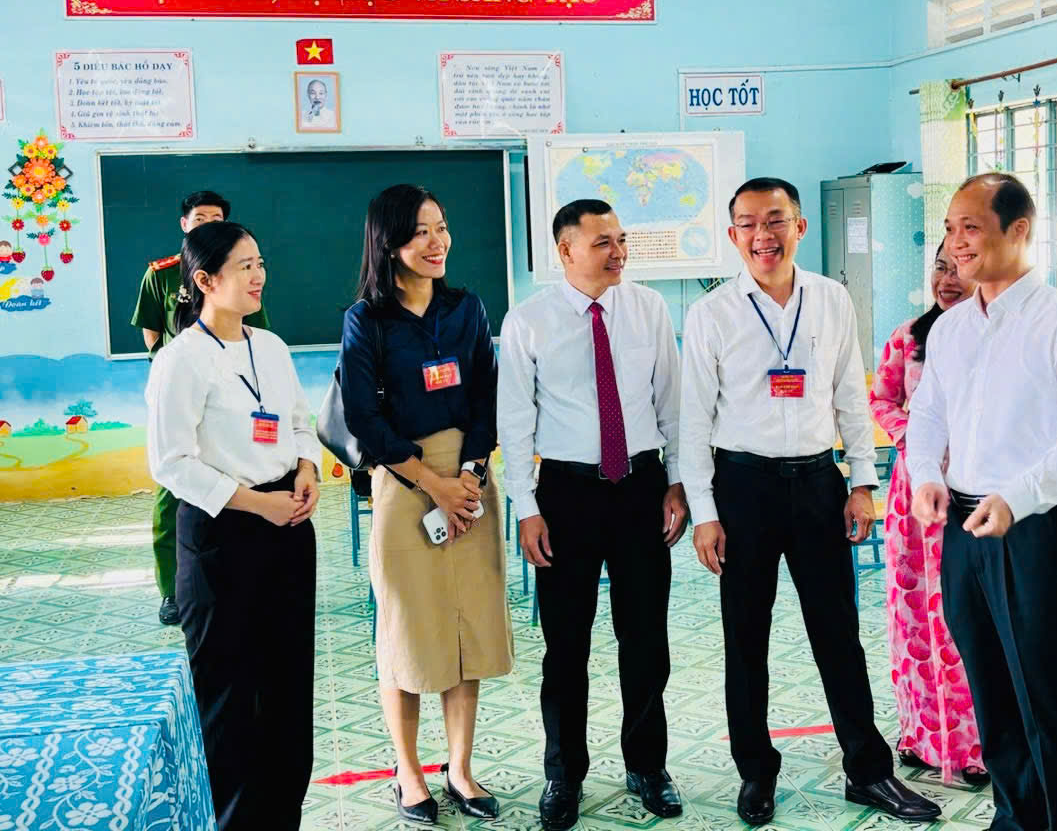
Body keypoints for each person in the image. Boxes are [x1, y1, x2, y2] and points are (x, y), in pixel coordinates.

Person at [679, 177, 940, 826]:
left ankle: (868, 771)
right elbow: (693, 420)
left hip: (819, 484)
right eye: (747, 224)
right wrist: (706, 514)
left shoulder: (830, 299)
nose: (762, 235)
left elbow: (851, 393)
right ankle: (755, 772)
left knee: (838, 634)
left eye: (775, 220)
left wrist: (861, 483)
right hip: (743, 487)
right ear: (733, 234)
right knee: (747, 638)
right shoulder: (712, 313)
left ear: (798, 227)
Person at [908, 172, 1057, 831]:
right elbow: (929, 414)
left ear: (1019, 229)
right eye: (950, 229)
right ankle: (1015, 820)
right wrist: (925, 474)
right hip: (964, 526)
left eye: (970, 227)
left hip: (1037, 531)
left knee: (1050, 701)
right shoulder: (951, 329)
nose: (955, 243)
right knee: (993, 695)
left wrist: (1018, 498)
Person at [497, 199, 687, 831]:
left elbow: (671, 404)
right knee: (565, 645)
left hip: (640, 487)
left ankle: (648, 765)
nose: (618, 252)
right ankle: (563, 773)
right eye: (603, 242)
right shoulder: (529, 321)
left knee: (646, 638)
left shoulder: (649, 309)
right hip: (567, 495)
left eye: (621, 239)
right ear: (566, 251)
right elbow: (515, 422)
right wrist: (526, 508)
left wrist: (677, 483)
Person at [340, 184, 512, 826]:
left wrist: (469, 473)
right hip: (406, 481)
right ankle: (409, 774)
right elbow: (363, 416)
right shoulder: (366, 319)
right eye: (421, 232)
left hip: (469, 480)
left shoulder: (466, 308)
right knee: (408, 633)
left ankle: (460, 769)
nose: (438, 242)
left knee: (467, 630)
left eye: (441, 227)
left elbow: (487, 396)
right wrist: (433, 484)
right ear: (389, 243)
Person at [145, 220, 320, 831]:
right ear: (204, 280)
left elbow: (298, 421)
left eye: (260, 262)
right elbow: (171, 463)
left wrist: (306, 468)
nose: (259, 275)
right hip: (223, 534)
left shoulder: (269, 346)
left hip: (288, 526)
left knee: (289, 685)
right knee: (229, 694)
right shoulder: (180, 359)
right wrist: (255, 503)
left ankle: (285, 816)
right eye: (245, 266)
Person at [868, 244, 986, 787]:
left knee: (966, 617)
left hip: (974, 493)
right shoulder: (907, 338)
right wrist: (914, 440)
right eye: (940, 267)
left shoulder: (992, 338)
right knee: (914, 615)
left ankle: (976, 746)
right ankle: (920, 736)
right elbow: (881, 400)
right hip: (913, 496)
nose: (947, 278)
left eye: (959, 268)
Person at [132, 190, 269, 627]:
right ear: (184, 224)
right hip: (181, 397)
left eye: (217, 218)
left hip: (231, 398)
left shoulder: (241, 274)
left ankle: (236, 581)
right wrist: (172, 371)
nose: (209, 224)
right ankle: (172, 591)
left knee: (237, 485)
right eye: (200, 218)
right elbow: (152, 331)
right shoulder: (161, 274)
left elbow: (253, 334)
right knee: (173, 496)